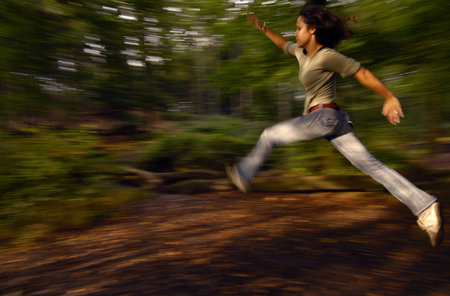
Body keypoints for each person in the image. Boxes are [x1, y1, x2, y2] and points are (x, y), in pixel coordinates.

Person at [226, 5, 443, 247]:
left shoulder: (327, 56)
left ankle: (244, 174)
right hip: (335, 122)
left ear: (313, 30)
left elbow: (361, 72)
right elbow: (281, 44)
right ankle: (425, 206)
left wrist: (389, 96)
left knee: (270, 134)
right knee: (373, 167)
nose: (294, 33)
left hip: (324, 118)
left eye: (298, 29)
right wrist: (263, 27)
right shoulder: (300, 53)